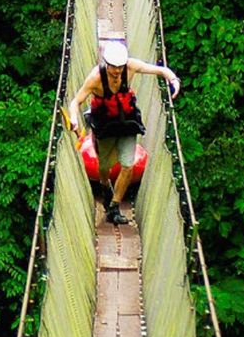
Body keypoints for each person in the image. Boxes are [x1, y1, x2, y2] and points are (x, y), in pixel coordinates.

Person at [66, 41, 180, 225]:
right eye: (113, 68)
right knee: (104, 167)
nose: (117, 72)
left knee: (128, 165)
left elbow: (160, 70)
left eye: (120, 67)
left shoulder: (130, 67)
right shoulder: (95, 78)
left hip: (127, 123)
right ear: (106, 64)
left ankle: (114, 207)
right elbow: (75, 101)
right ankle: (105, 189)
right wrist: (73, 118)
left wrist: (174, 80)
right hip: (105, 126)